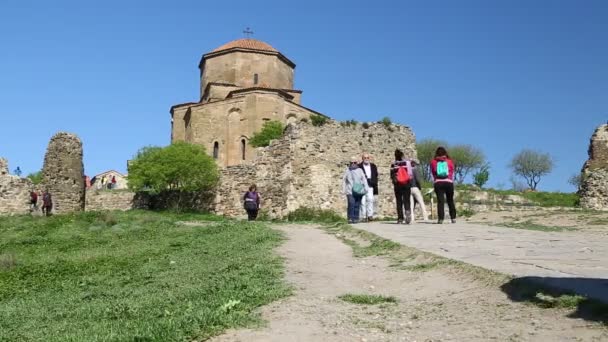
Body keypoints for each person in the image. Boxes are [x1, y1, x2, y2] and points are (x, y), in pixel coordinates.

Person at [430, 146, 456, 224]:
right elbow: (452, 171)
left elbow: (433, 172)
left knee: (440, 201)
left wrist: (435, 179)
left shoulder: (433, 162)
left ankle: (441, 219)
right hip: (448, 182)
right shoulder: (449, 161)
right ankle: (453, 218)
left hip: (438, 183)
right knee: (450, 200)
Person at [343, 156, 369, 224]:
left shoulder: (360, 170)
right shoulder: (347, 170)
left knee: (357, 204)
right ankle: (350, 218)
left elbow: (364, 179)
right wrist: (344, 190)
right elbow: (344, 181)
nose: (353, 164)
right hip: (350, 190)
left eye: (355, 162)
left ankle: (356, 218)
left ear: (357, 163)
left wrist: (366, 188)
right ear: (350, 163)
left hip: (358, 189)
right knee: (351, 204)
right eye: (352, 162)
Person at [391, 149, 412, 224]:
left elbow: (392, 174)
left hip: (398, 185)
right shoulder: (407, 163)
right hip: (406, 184)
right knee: (407, 200)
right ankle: (407, 212)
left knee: (399, 201)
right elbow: (410, 174)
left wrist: (395, 182)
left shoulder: (394, 164)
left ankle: (400, 218)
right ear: (402, 155)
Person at [358, 153, 378, 222]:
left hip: (370, 185)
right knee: (362, 201)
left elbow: (376, 175)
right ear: (362, 159)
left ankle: (370, 215)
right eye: (365, 158)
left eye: (367, 158)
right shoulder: (359, 166)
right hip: (362, 186)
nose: (366, 159)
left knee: (370, 200)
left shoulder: (373, 166)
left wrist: (373, 182)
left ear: (369, 158)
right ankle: (363, 216)